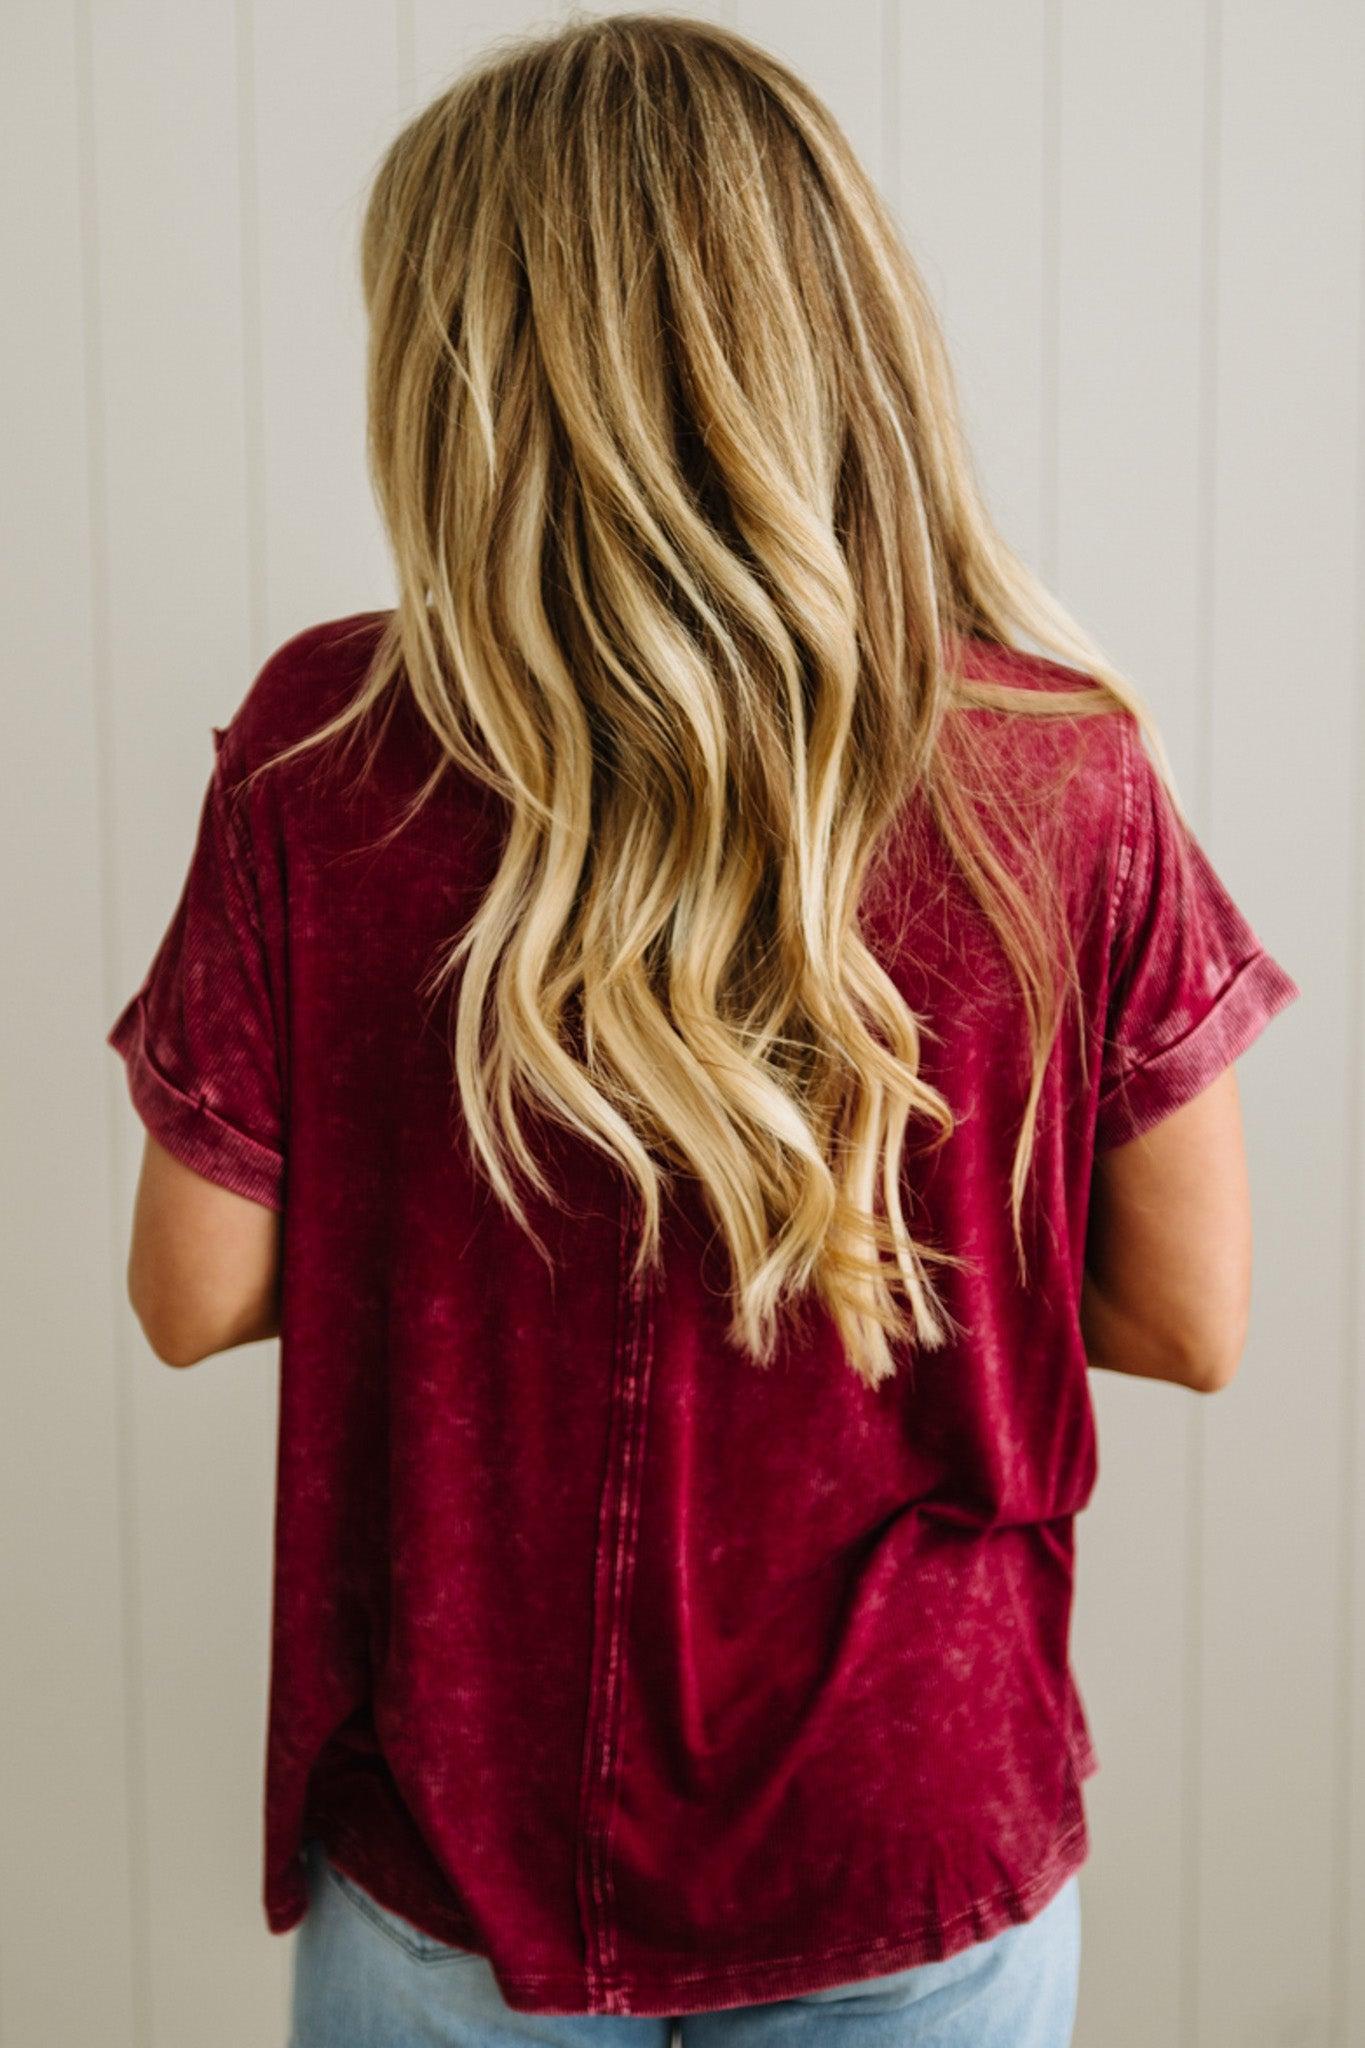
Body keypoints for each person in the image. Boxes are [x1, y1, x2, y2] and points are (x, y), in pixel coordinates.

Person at [105, 13, 1301, 2047]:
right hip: (904, 1827)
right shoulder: (1056, 773)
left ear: (464, 376)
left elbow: (190, 1290)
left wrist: (472, 1258)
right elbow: (1187, 1315)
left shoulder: (325, 755)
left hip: (467, 1836)